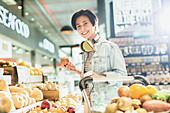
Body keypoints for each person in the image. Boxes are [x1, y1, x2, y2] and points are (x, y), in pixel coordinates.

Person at [60, 9, 127, 113]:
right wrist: (76, 71)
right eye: (78, 26)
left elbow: (122, 75)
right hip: (89, 101)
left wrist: (100, 78)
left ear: (94, 23)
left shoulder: (110, 47)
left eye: (85, 24)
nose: (82, 29)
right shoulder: (86, 50)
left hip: (107, 104)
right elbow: (89, 76)